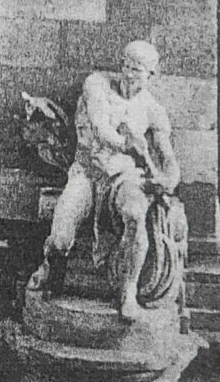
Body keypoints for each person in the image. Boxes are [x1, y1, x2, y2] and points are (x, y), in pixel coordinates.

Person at [28, 40, 181, 321]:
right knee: (61, 235)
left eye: (137, 70)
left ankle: (128, 290)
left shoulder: (152, 110)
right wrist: (128, 144)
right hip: (88, 171)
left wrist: (167, 180)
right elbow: (99, 127)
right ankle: (51, 266)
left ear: (152, 75)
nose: (128, 74)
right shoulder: (96, 84)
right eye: (125, 65)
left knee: (135, 214)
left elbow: (168, 159)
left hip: (125, 178)